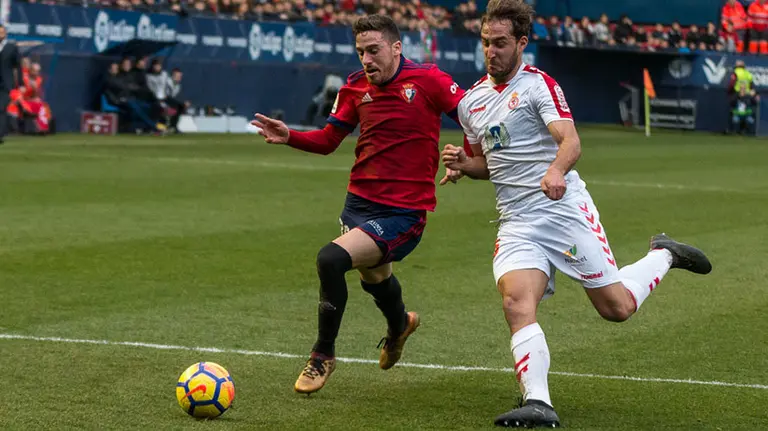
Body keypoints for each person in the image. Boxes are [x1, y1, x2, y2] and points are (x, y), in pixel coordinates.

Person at [440, 0, 713, 427]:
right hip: (516, 222)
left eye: (500, 43)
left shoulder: (539, 86)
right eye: (486, 42)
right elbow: (487, 164)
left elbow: (570, 141)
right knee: (516, 301)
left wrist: (555, 170)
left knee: (616, 308)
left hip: (562, 211)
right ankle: (538, 402)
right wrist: (463, 164)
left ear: (522, 43)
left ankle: (664, 254)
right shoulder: (470, 103)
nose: (491, 51)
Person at [251, 14, 465, 395]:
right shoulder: (354, 87)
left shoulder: (428, 80)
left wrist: (467, 158)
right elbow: (329, 140)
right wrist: (291, 136)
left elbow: (474, 117)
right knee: (376, 279)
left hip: (403, 213)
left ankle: (323, 354)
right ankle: (400, 325)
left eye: (374, 50)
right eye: (360, 52)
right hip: (358, 204)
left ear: (396, 48)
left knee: (330, 259)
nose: (366, 59)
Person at [0, 24, 21, 143]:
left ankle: (0, 134)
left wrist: (20, 84)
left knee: (1, 108)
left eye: (2, 32)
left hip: (5, 85)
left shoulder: (11, 47)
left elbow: (17, 66)